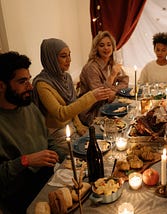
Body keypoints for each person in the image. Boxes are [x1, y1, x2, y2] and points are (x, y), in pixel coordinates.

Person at [0, 51, 65, 213]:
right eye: (22, 81)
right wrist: (25, 160)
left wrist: (67, 155)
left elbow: (46, 140)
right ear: (1, 85)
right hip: (20, 197)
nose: (30, 86)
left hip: (48, 179)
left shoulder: (28, 106)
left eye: (29, 79)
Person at [33, 38, 110, 155]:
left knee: (105, 142)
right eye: (63, 56)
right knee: (90, 155)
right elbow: (61, 114)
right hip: (59, 137)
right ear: (51, 58)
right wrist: (91, 96)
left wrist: (80, 127)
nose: (69, 60)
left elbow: (72, 105)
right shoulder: (42, 84)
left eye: (69, 55)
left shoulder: (65, 77)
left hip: (74, 129)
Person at [79, 31, 129, 125]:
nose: (106, 48)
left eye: (109, 45)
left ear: (113, 47)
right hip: (92, 111)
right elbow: (101, 95)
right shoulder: (91, 67)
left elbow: (125, 80)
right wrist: (112, 75)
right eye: (101, 45)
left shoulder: (112, 63)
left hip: (108, 105)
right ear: (96, 48)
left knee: (130, 114)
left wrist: (114, 91)